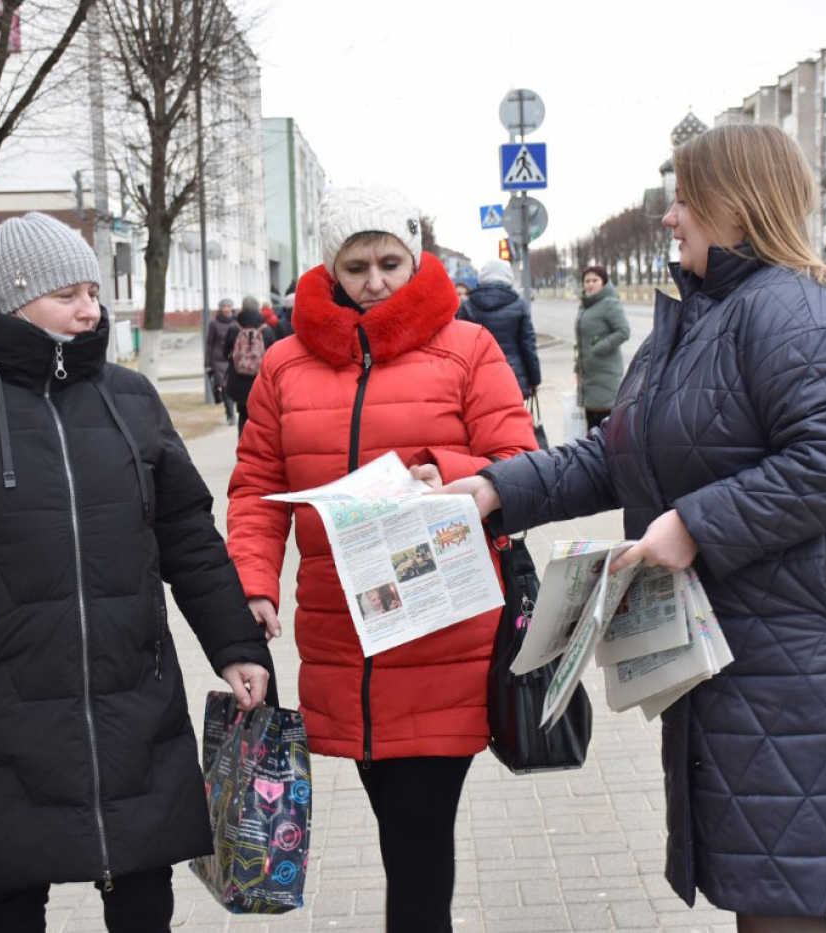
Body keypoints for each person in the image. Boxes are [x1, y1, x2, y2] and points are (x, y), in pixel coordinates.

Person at [438, 125, 826, 933]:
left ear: (739, 202)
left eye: (686, 197)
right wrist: (491, 489)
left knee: (783, 895)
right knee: (763, 880)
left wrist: (693, 525)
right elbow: (615, 454)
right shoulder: (698, 318)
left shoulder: (803, 314)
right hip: (752, 639)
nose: (670, 217)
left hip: (805, 650)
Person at [0, 212, 273, 933]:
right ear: (14, 298)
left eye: (93, 292)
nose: (90, 309)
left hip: (131, 695)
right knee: (7, 900)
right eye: (68, 294)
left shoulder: (129, 398)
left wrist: (236, 645)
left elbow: (187, 537)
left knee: (142, 896)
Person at [226, 186, 538, 933]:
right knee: (402, 832)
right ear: (331, 267)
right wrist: (253, 584)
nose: (374, 281)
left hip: (445, 639)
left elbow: (523, 463)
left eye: (390, 262)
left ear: (416, 256)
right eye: (357, 265)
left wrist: (447, 470)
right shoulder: (284, 366)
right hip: (345, 642)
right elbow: (257, 488)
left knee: (417, 840)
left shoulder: (469, 349)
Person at [458, 258, 541, 399]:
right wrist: (534, 380)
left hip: (477, 381)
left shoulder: (468, 306)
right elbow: (528, 346)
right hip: (513, 378)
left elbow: (460, 348)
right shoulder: (519, 304)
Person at [574, 265, 630, 430]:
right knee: (592, 429)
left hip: (606, 375)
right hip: (588, 377)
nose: (590, 284)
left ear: (604, 283)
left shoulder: (610, 303)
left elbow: (624, 331)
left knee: (605, 429)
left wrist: (599, 347)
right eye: (587, 280)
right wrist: (578, 368)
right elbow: (581, 341)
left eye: (595, 280)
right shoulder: (585, 306)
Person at [222, 295, 275, 435]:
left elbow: (225, 353)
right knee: (261, 417)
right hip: (260, 382)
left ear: (242, 308)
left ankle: (242, 448)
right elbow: (273, 356)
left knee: (243, 416)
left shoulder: (234, 328)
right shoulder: (266, 330)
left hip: (238, 382)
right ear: (258, 309)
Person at [205, 297, 238, 425]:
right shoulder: (214, 323)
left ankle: (231, 411)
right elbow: (209, 344)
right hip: (218, 359)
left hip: (233, 358)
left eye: (228, 306)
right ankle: (230, 415)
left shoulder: (236, 322)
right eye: (223, 306)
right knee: (224, 387)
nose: (226, 308)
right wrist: (207, 363)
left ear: (232, 307)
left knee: (231, 386)